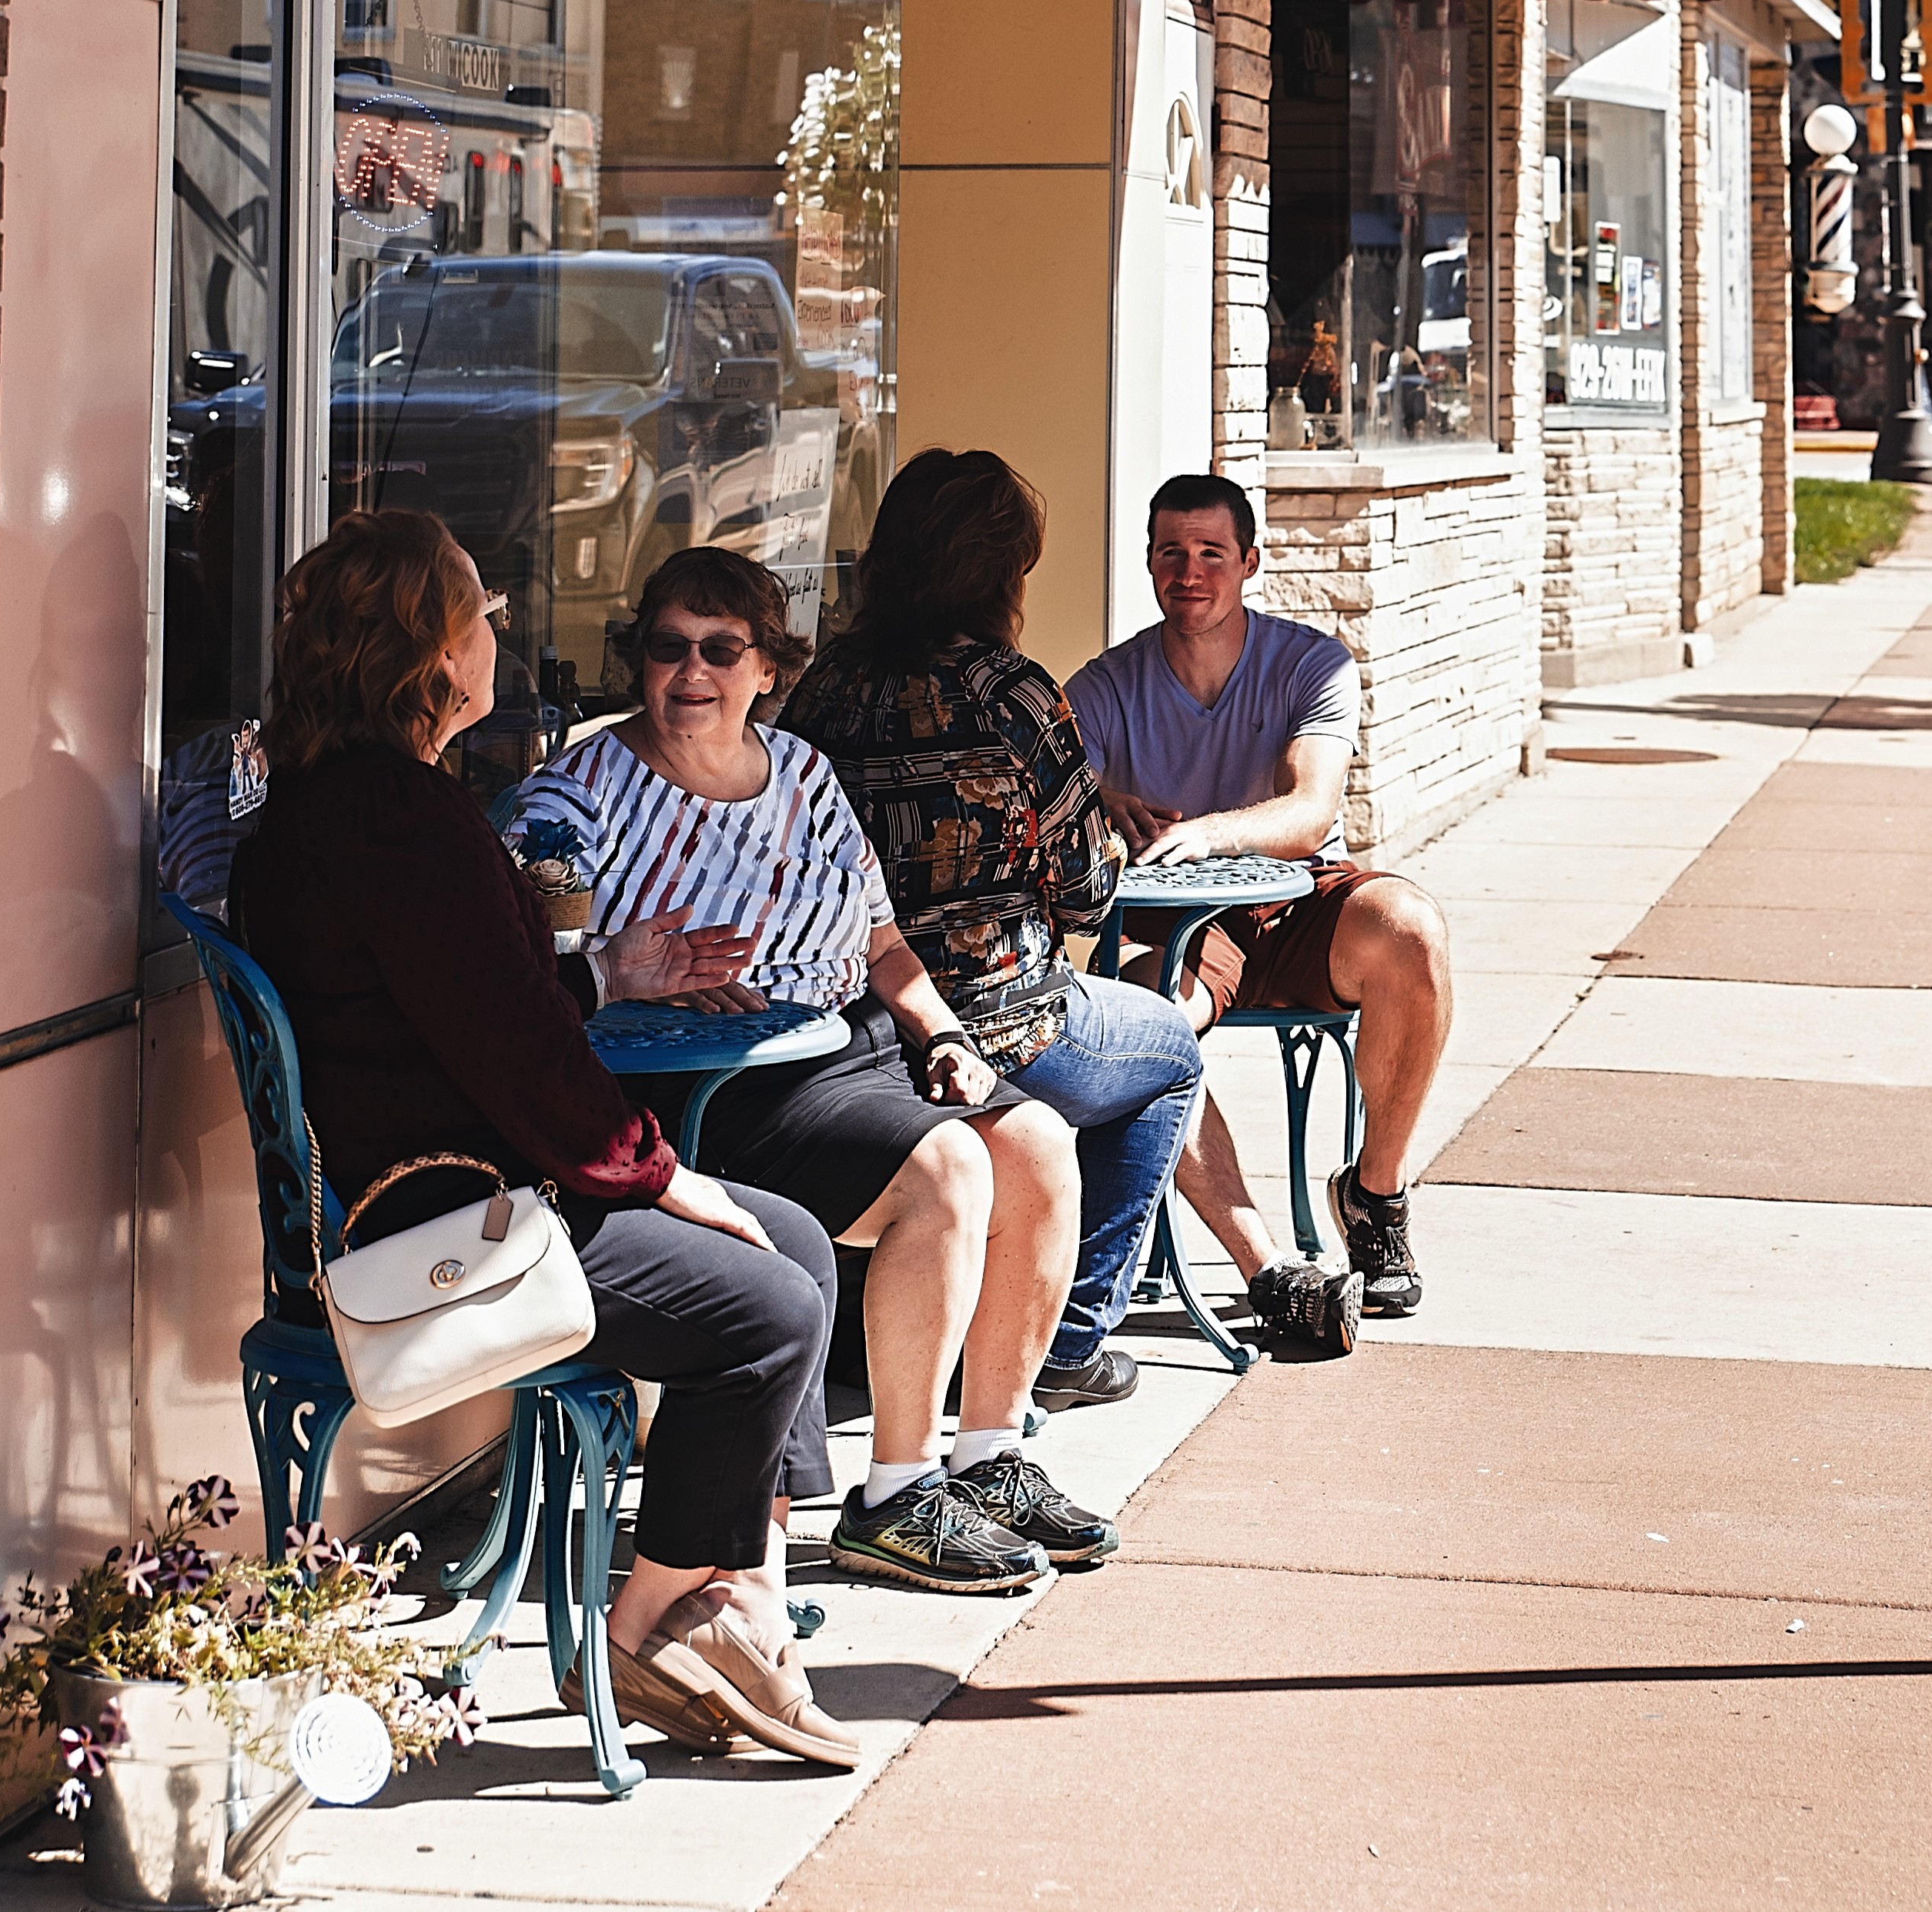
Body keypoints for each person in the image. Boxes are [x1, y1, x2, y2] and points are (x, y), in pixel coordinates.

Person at [230, 507, 859, 1770]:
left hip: (449, 1184)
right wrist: (663, 1174)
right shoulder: (402, 823)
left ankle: (726, 1597)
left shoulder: (340, 807)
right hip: (441, 1230)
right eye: (477, 612)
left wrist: (604, 978)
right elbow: (515, 1056)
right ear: (426, 652)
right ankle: (648, 1620)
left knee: (793, 1236)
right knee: (772, 1305)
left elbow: (477, 1014)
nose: (493, 635)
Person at [506, 544, 1120, 1594]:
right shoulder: (577, 794)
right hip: (706, 1088)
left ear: (767, 670)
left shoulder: (802, 773)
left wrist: (941, 1036)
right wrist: (620, 968)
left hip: (849, 1046)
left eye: (719, 650)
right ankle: (895, 1491)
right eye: (666, 648)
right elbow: (525, 970)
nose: (689, 672)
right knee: (948, 1176)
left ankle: (989, 1458)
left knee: (1037, 1145)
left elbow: (881, 942)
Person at [780, 450, 1206, 1410]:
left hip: (859, 1021)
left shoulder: (826, 686)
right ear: (998, 570)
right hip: (1002, 1016)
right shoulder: (1010, 691)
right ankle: (1068, 1339)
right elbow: (1091, 897)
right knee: (1169, 1048)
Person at [1066, 473, 1450, 1328]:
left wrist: (1209, 829)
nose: (1189, 572)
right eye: (1171, 552)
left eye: (1210, 553)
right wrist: (1100, 801)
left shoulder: (1310, 663)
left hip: (1299, 900)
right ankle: (1267, 1269)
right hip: (1177, 923)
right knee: (1145, 1020)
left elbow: (1310, 811)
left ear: (1249, 561)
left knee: (1412, 930)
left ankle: (1374, 1197)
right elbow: (1056, 796)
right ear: (1147, 562)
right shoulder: (1101, 685)